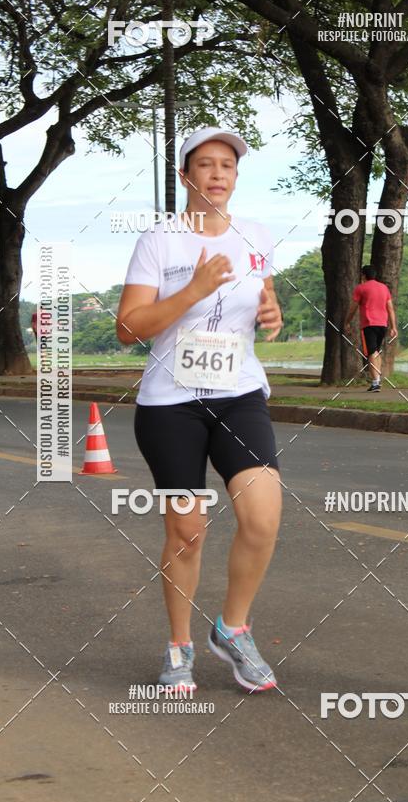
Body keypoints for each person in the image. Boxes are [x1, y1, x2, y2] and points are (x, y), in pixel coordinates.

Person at [116, 127, 283, 694]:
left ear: (236, 177)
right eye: (206, 164)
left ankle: (232, 629)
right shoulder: (159, 240)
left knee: (262, 516)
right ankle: (179, 645)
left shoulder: (255, 235)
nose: (218, 173)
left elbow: (264, 296)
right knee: (187, 529)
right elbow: (126, 329)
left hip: (238, 391)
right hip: (171, 402)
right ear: (185, 175)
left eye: (228, 166)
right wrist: (192, 289)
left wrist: (272, 316)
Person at [344, 264, 398, 391]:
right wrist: (393, 327)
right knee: (376, 352)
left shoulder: (361, 288)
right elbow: (390, 308)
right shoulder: (384, 288)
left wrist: (347, 321)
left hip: (369, 324)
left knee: (371, 353)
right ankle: (377, 380)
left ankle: (375, 382)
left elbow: (353, 307)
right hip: (383, 324)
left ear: (363, 275)